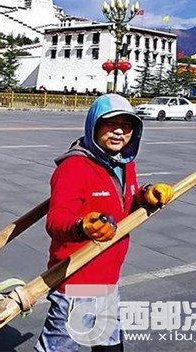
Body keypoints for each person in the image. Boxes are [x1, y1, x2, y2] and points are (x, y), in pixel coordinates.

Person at [35, 94, 174, 352]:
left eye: (126, 125)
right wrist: (82, 227)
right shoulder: (74, 167)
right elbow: (56, 220)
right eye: (111, 123)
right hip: (77, 283)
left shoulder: (123, 163)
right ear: (94, 125)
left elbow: (124, 200)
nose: (119, 131)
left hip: (107, 282)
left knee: (110, 347)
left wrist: (146, 194)